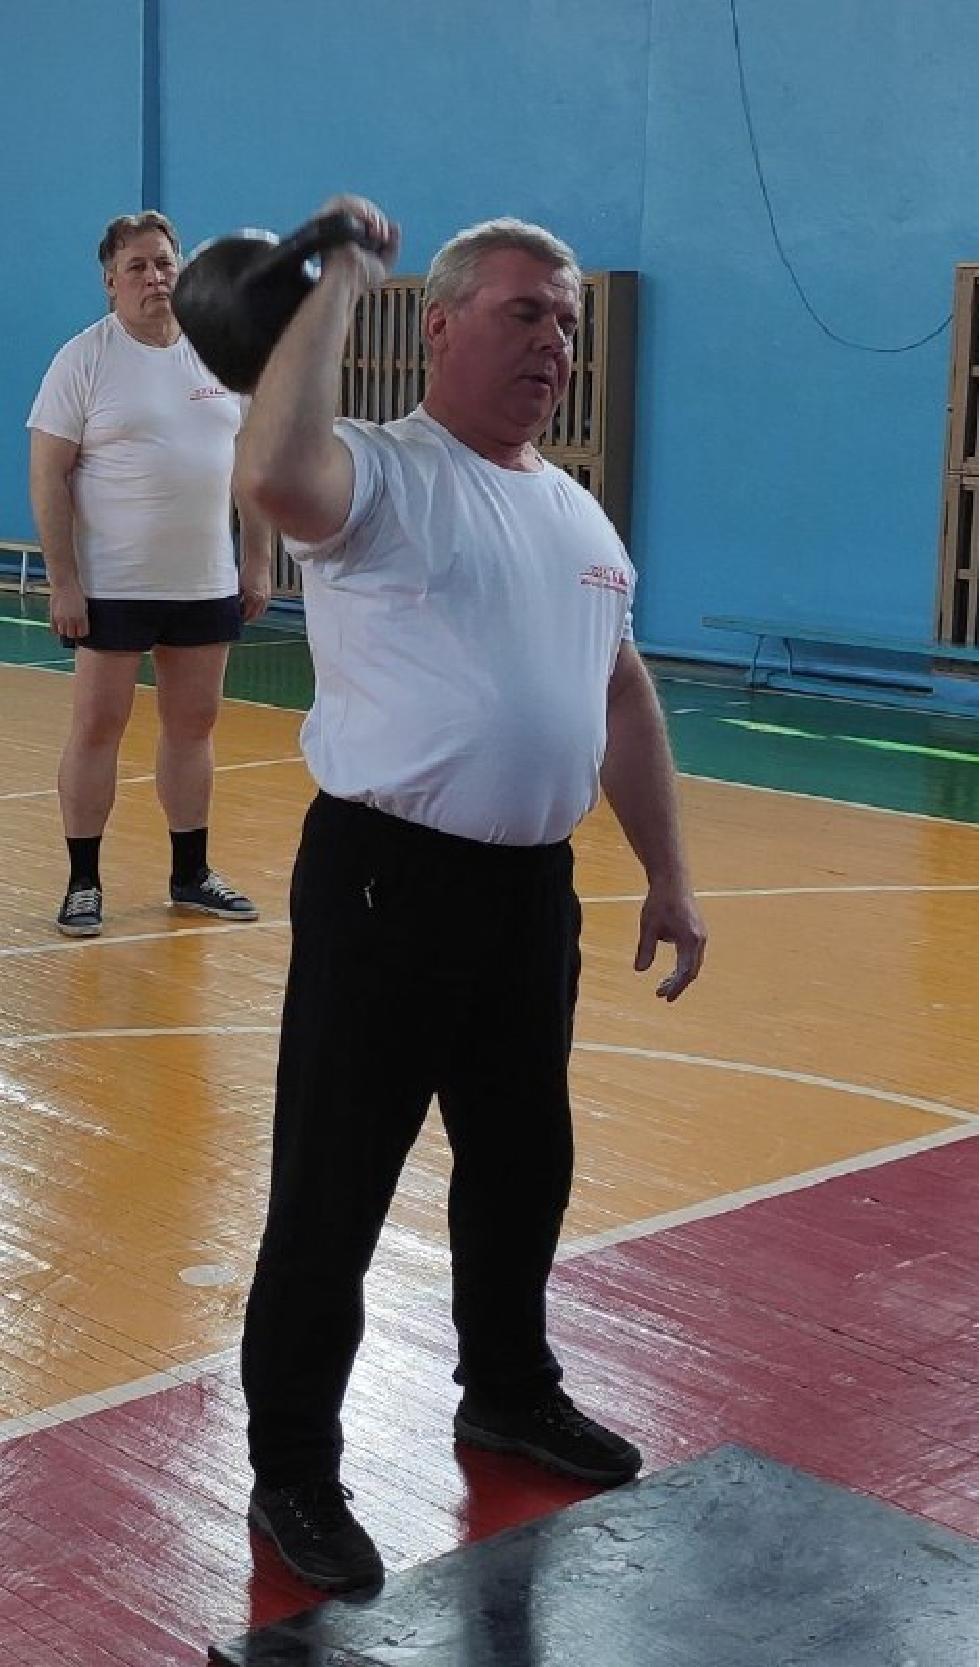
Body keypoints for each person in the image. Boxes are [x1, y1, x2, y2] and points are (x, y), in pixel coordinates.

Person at [233, 196, 707, 1594]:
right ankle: (293, 1468)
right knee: (333, 1188)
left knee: (521, 1164)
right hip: (387, 882)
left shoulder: (576, 512)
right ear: (438, 325)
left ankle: (507, 1387)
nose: (553, 339)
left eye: (565, 318)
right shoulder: (385, 473)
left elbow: (619, 692)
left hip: (529, 896)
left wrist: (668, 870)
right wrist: (338, 284)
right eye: (522, 312)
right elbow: (276, 473)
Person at [27, 210, 272, 938]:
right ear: (111, 282)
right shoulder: (83, 359)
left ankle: (191, 873)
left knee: (193, 728)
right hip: (112, 586)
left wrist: (257, 560)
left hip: (203, 582)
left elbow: (252, 466)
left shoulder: (218, 354)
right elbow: (47, 477)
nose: (154, 277)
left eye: (164, 263)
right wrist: (64, 582)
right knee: (97, 728)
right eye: (136, 266)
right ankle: (83, 882)